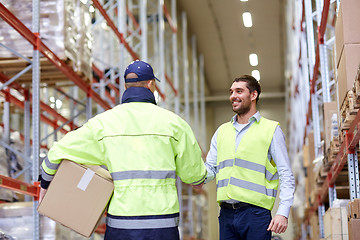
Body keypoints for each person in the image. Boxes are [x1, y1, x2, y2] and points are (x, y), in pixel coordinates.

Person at [39, 60, 207, 240]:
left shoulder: (103, 124)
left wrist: (45, 184)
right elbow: (194, 176)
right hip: (162, 226)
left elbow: (57, 152)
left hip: (121, 225)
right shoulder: (175, 125)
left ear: (126, 86)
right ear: (152, 85)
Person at [202, 75, 295, 240]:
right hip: (226, 214)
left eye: (239, 91)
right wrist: (195, 176)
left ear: (253, 95)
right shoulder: (221, 131)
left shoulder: (271, 129)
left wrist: (283, 212)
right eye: (231, 92)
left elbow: (286, 173)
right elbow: (210, 169)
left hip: (256, 214)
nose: (233, 96)